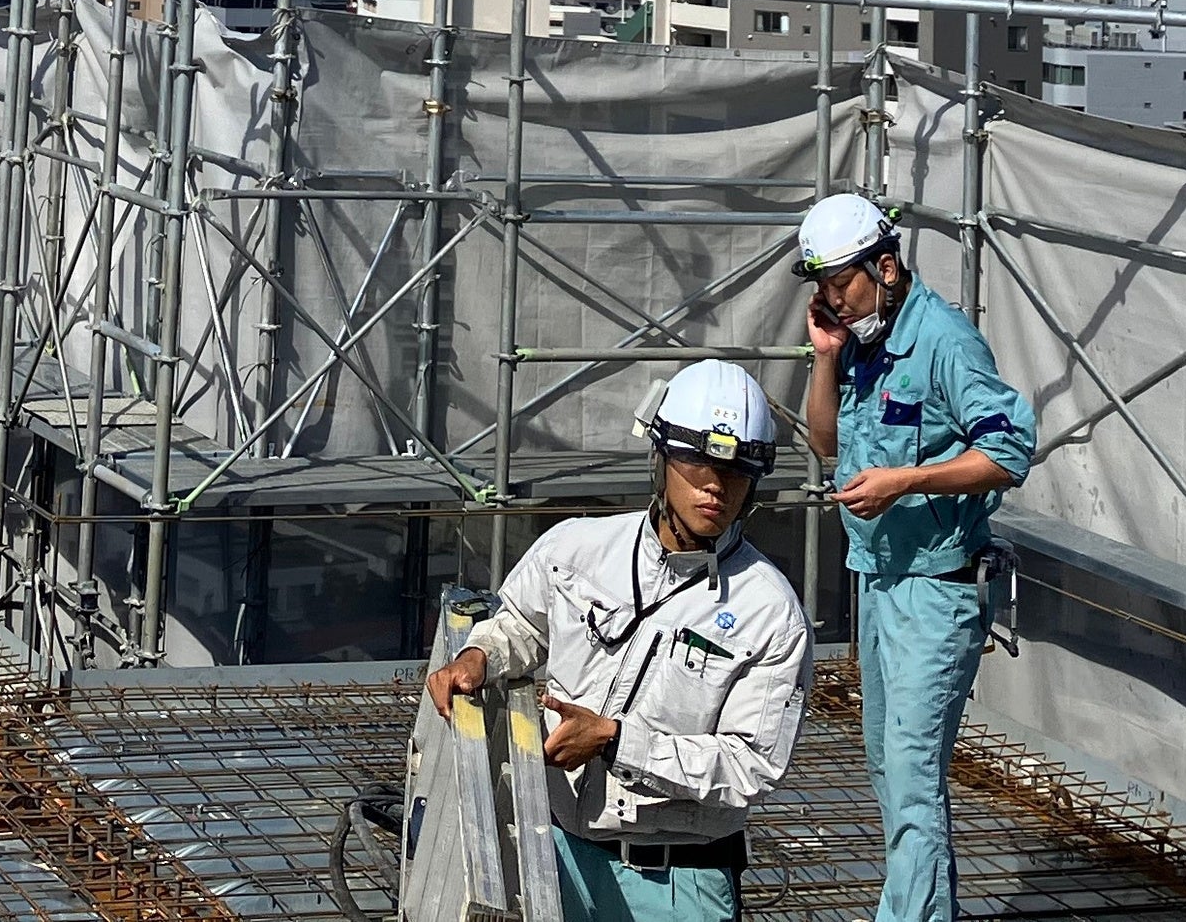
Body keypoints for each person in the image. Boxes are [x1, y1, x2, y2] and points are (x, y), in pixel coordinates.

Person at [422, 360, 809, 922]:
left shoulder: (770, 612)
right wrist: (481, 655)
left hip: (678, 885)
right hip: (555, 856)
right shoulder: (576, 549)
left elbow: (752, 765)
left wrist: (615, 741)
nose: (715, 484)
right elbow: (523, 624)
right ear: (660, 456)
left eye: (738, 470)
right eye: (697, 460)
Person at [798, 193, 1038, 922]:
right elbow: (825, 442)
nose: (831, 298)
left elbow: (1009, 452)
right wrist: (825, 358)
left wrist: (905, 481)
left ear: (885, 266)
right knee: (890, 766)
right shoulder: (862, 343)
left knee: (910, 772)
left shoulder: (944, 341)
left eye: (840, 281)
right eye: (822, 285)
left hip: (938, 590)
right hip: (879, 582)